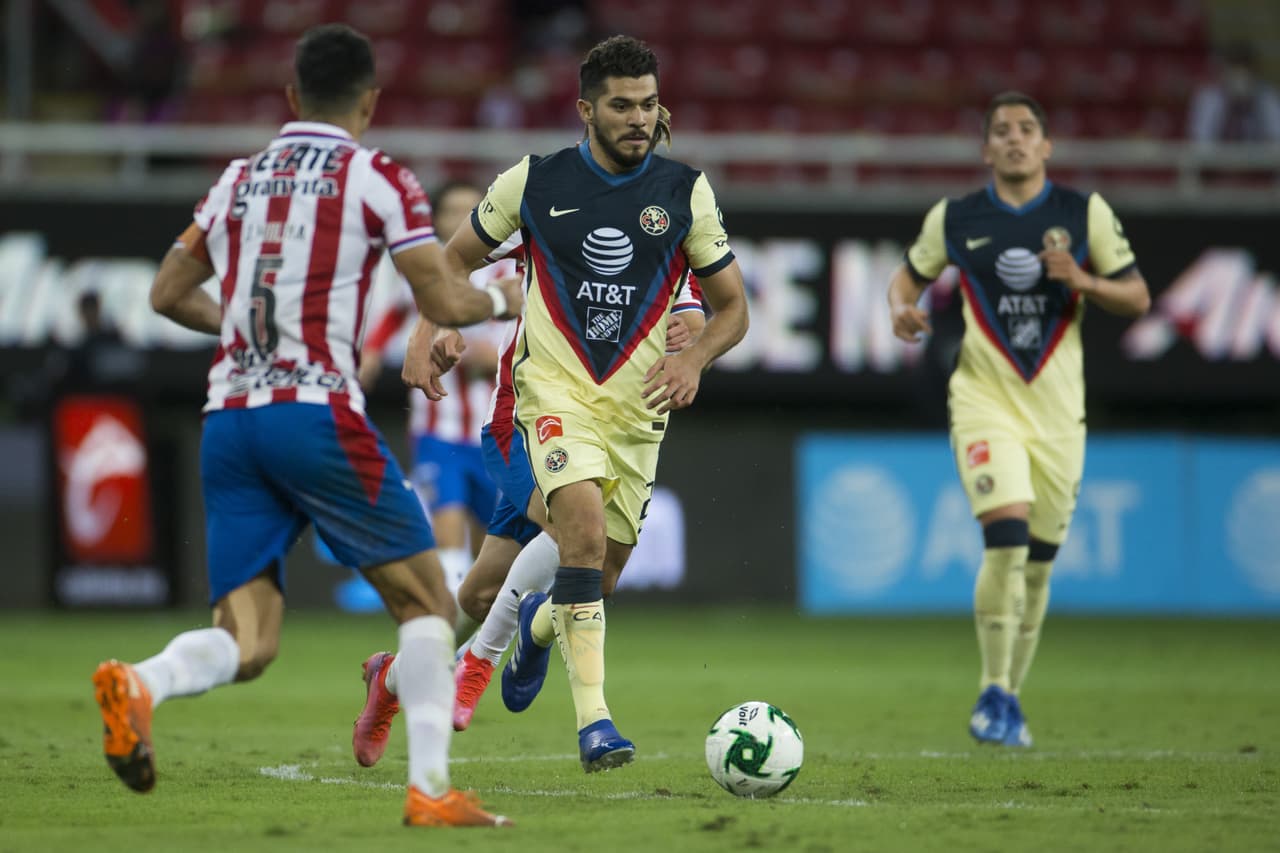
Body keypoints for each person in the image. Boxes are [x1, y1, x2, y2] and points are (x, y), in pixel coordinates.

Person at [90, 23, 522, 828]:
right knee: (431, 603)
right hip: (313, 410)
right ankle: (431, 790)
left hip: (229, 420)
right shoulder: (378, 175)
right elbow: (447, 300)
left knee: (247, 642)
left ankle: (142, 681)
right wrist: (515, 299)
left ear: (290, 97)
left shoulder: (238, 179)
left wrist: (246, 336)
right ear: (370, 103)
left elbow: (165, 293)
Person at [375, 34, 748, 774]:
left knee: (546, 583)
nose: (638, 118)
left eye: (648, 104)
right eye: (621, 105)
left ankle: (513, 638)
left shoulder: (686, 193)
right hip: (547, 398)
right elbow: (451, 260)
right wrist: (428, 329)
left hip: (635, 415)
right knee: (573, 527)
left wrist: (696, 352)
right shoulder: (535, 181)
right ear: (586, 109)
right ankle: (594, 723)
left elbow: (733, 306)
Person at [887, 91, 1151, 747]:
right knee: (1003, 538)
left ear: (1046, 146)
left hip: (1059, 412)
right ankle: (991, 693)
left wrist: (1085, 283)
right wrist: (900, 307)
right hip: (984, 399)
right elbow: (905, 279)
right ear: (985, 149)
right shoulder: (955, 217)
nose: (1013, 138)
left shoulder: (1083, 212)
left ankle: (1009, 695)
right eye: (1001, 130)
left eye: (1026, 128)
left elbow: (1139, 296)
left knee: (1037, 566)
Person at [350, 276, 703, 758]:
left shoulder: (658, 229)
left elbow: (697, 304)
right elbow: (456, 267)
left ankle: (390, 677)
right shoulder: (539, 212)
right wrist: (441, 323)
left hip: (609, 428)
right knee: (576, 532)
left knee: (489, 594)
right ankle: (484, 661)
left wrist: (689, 331)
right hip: (529, 418)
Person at [359, 180, 513, 606]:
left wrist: (451, 349)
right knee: (447, 532)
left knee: (492, 551)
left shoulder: (506, 273)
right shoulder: (425, 276)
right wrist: (370, 357)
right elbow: (389, 322)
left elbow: (496, 353)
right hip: (437, 430)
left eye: (472, 211)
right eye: (452, 212)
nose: (462, 220)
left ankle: (474, 635)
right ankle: (444, 630)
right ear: (437, 220)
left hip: (493, 432)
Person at [1186, 42, 1280, 143]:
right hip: (1218, 157)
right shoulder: (1208, 97)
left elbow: (1277, 138)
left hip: (1260, 157)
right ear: (1224, 69)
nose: (1240, 73)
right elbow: (1199, 140)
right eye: (1235, 67)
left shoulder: (1267, 98)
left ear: (1254, 71)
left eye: (1245, 68)